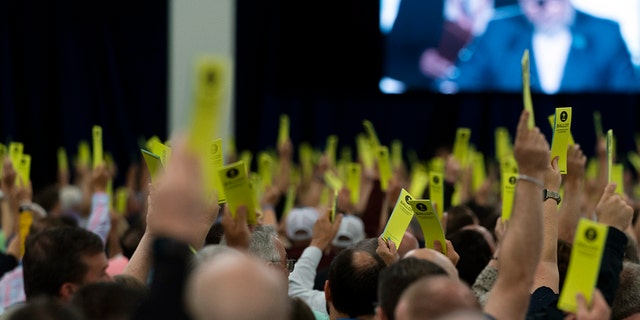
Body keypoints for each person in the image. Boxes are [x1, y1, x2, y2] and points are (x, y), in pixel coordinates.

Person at [453, 0, 640, 93]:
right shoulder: (498, 31)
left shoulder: (606, 33)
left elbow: (626, 98)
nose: (540, 7)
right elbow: (466, 85)